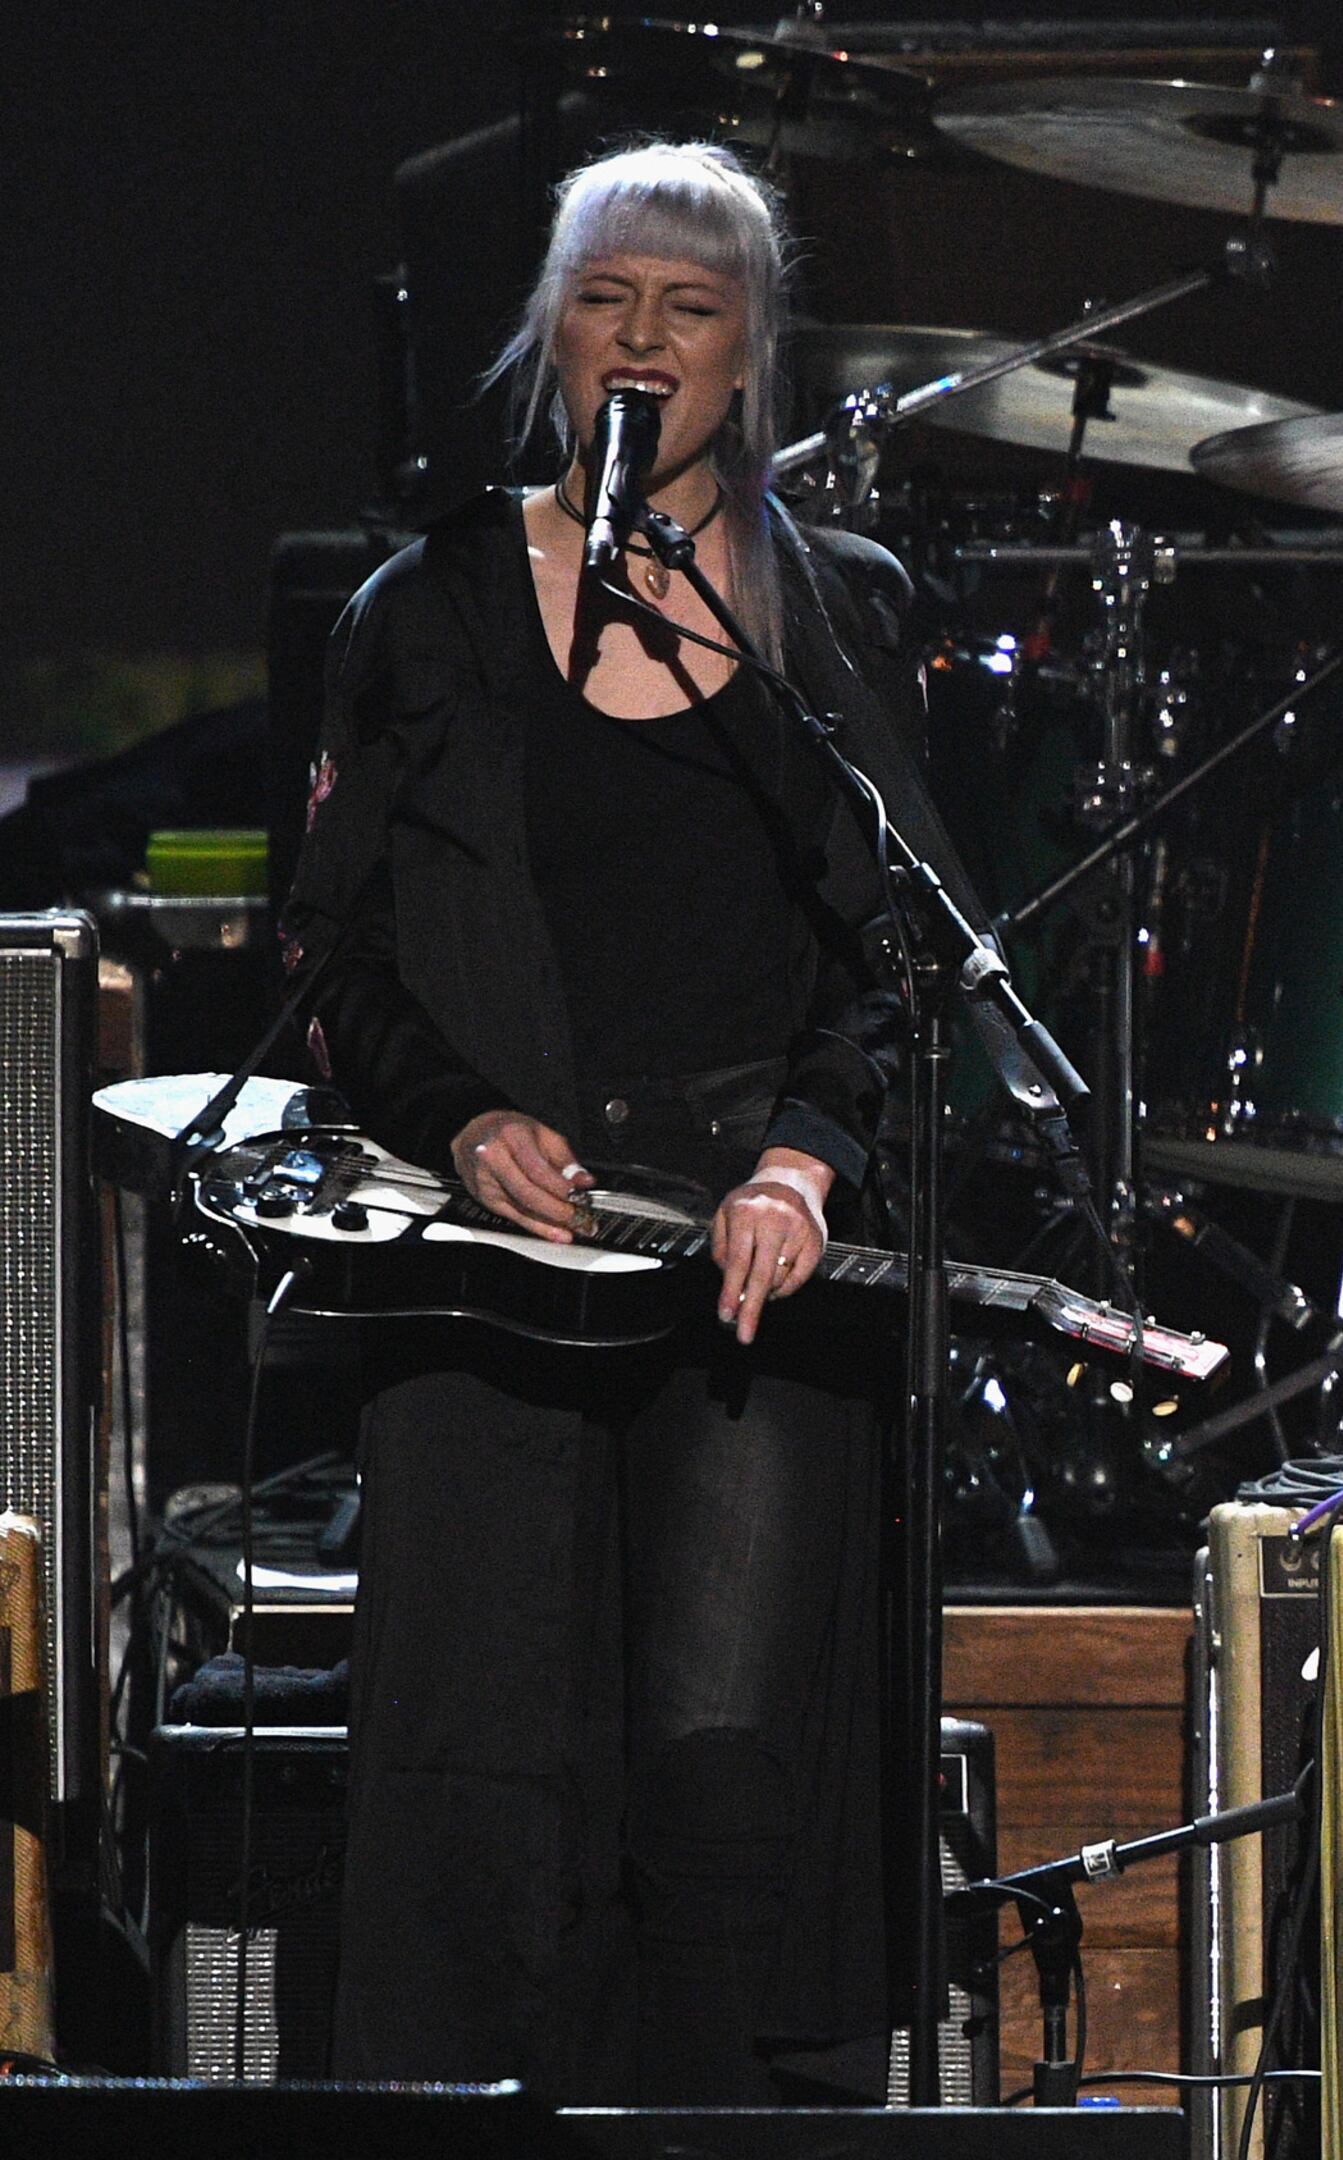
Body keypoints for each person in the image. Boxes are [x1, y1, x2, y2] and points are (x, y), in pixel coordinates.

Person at [283, 140, 965, 2101]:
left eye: (693, 306)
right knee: (492, 1771)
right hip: (501, 1239)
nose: (644, 342)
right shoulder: (422, 608)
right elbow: (340, 960)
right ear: (547, 337)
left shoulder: (830, 609)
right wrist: (472, 1120)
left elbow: (899, 951)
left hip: (747, 1242)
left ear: (757, 357)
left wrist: (805, 1157)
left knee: (720, 1770)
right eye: (608, 300)